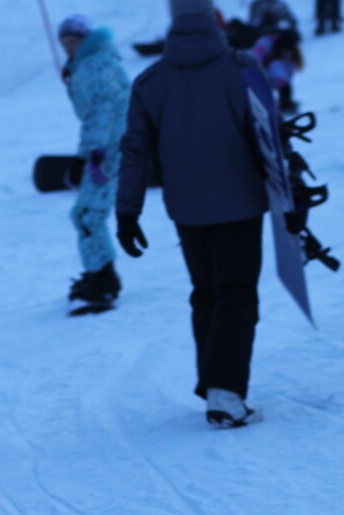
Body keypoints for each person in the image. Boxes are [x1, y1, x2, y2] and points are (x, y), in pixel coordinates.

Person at [116, 0, 270, 427]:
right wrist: (290, 199)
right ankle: (224, 392)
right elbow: (270, 138)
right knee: (236, 294)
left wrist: (127, 213)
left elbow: (134, 152)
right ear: (212, 19)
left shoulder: (151, 82)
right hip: (241, 203)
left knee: (206, 293)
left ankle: (217, 388)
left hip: (187, 210)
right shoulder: (242, 68)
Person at [58, 15, 131, 315]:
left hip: (108, 151)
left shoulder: (94, 65)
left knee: (88, 214)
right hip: (109, 147)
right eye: (65, 43)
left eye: (74, 42)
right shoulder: (93, 63)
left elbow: (102, 111)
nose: (69, 48)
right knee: (87, 213)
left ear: (86, 40)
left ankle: (103, 279)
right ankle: (99, 272)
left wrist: (91, 155)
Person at [250, 28, 304, 113]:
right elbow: (253, 62)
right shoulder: (265, 44)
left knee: (283, 80)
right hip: (261, 74)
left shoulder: (290, 50)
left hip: (276, 74)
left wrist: (284, 82)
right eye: (285, 49)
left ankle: (285, 103)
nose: (287, 51)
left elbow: (290, 68)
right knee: (275, 67)